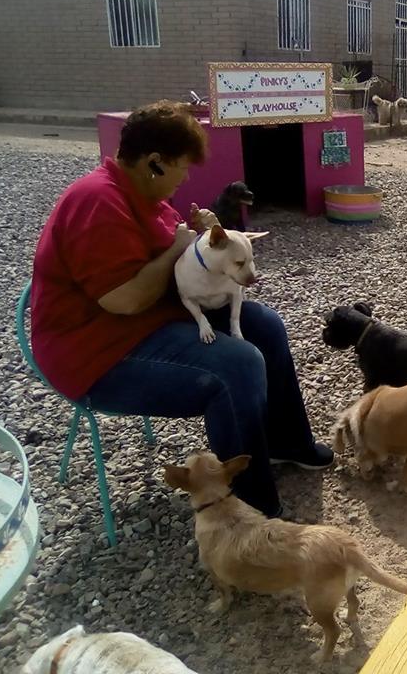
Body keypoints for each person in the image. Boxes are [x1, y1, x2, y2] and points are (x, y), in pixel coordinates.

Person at [31, 100, 332, 518]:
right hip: (97, 352)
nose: (186, 176)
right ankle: (250, 510)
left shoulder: (143, 195)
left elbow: (179, 259)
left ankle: (285, 443)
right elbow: (125, 300)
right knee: (237, 365)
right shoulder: (97, 201)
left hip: (147, 320)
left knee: (263, 323)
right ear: (154, 162)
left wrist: (200, 237)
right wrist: (176, 246)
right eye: (181, 167)